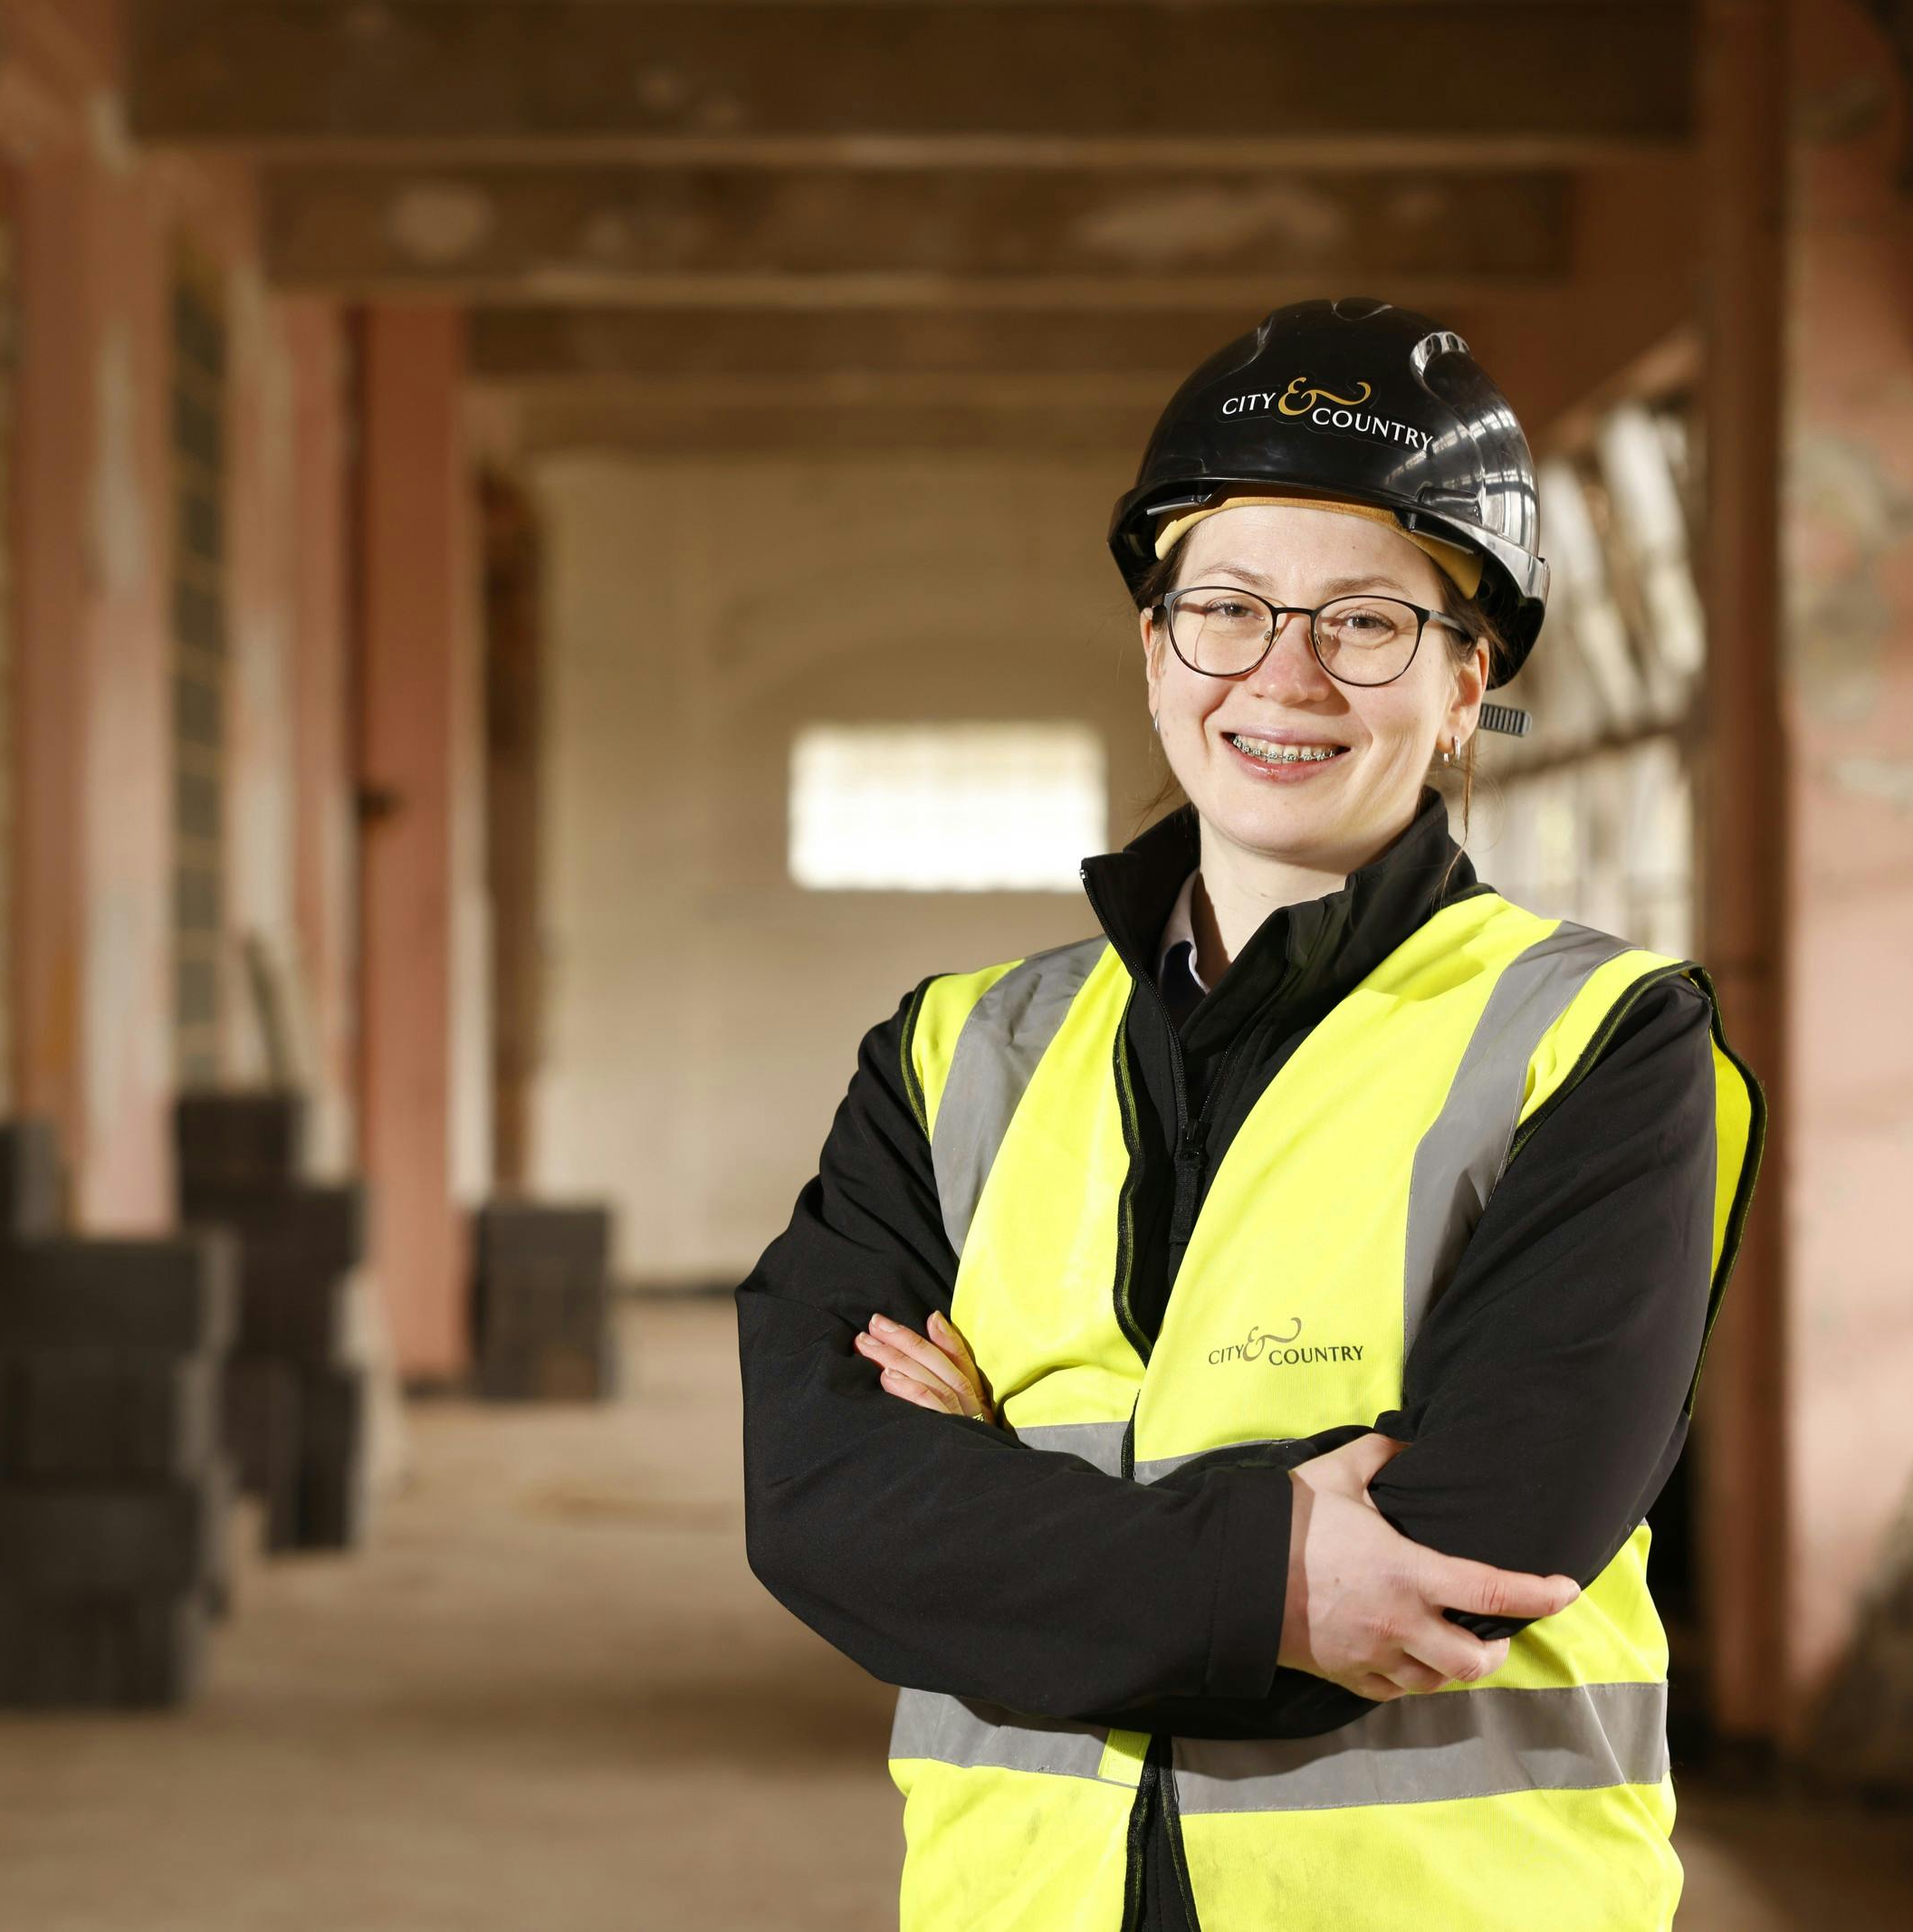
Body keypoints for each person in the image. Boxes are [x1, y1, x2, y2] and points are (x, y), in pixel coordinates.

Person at [733, 297, 1765, 1931]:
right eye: (1226, 607)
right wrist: (1277, 1570)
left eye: (1364, 621)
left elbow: (1472, 1560)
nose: (1283, 674)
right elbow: (819, 1506)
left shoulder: (1605, 1045)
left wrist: (995, 1494)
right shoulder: (955, 1052)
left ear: (1463, 681)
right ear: (1156, 652)